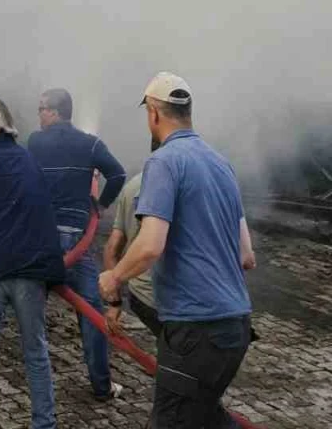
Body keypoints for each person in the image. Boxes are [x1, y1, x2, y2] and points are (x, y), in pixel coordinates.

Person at [99, 72, 257, 428]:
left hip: (195, 331)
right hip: (235, 329)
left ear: (153, 113)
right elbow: (246, 255)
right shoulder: (222, 165)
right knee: (206, 418)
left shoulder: (164, 162)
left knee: (171, 422)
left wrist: (114, 276)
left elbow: (151, 244)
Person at [0, 99, 64, 429]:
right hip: (30, 272)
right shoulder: (28, 159)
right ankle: (44, 423)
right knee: (36, 351)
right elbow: (41, 210)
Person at [26, 87, 128, 401]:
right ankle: (102, 386)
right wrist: (99, 205)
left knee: (31, 316)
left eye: (42, 108)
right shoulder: (90, 144)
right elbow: (118, 174)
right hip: (75, 247)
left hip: (41, 244)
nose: (39, 114)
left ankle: (38, 389)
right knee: (92, 315)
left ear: (56, 112)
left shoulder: (34, 142)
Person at [103, 172, 161, 335]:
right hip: (169, 302)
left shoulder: (133, 185)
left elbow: (112, 248)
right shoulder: (183, 183)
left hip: (140, 295)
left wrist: (114, 304)